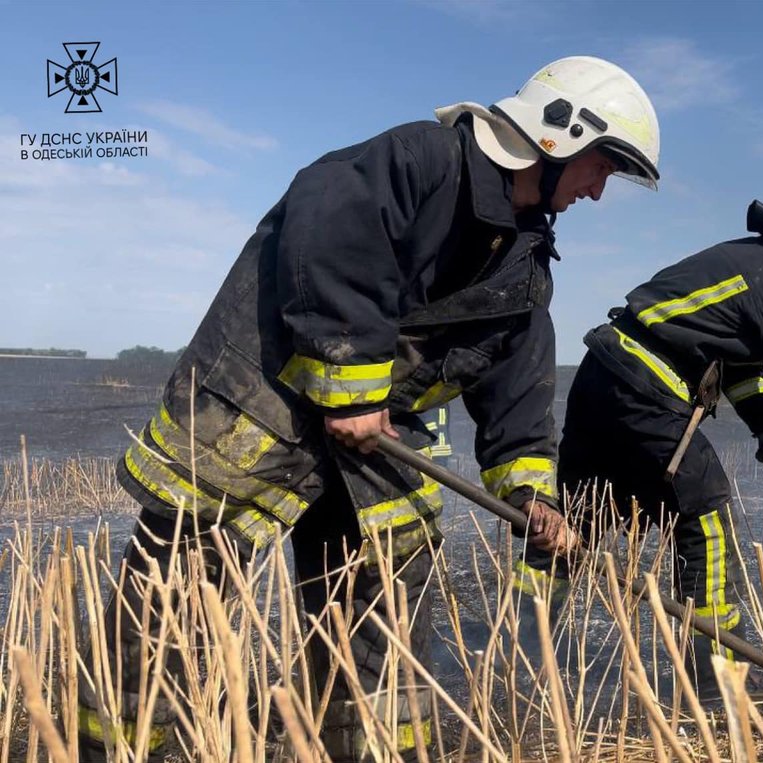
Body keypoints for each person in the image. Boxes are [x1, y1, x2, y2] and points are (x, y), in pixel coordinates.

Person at [76, 56, 661, 762]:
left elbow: (519, 402)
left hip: (374, 447)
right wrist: (351, 383)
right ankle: (108, 750)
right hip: (259, 411)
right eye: (602, 167)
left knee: (381, 615)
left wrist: (535, 496)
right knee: (172, 606)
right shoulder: (419, 160)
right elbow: (331, 235)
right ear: (558, 136)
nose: (598, 192)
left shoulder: (526, 276)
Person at [519, 188, 763, 700]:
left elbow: (737, 365)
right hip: (646, 395)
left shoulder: (759, 263)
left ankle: (516, 641)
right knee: (707, 523)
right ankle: (716, 676)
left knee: (581, 519)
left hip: (603, 376)